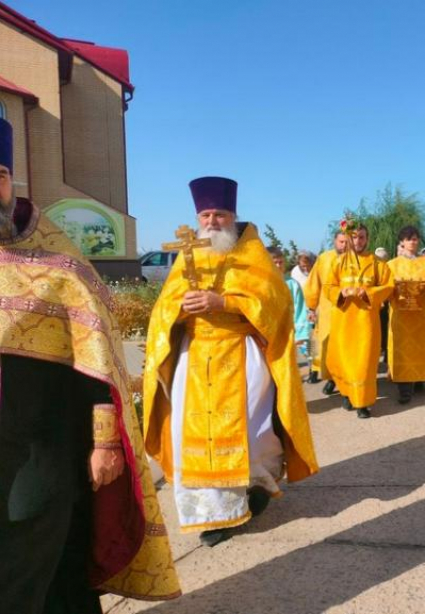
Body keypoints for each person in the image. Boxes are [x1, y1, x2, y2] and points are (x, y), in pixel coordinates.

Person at [0, 118, 180, 612]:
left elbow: (97, 361)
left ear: (11, 183)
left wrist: (105, 442)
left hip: (38, 453)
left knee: (24, 571)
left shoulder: (60, 263)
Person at [144, 176, 319, 547]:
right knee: (187, 435)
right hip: (194, 358)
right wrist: (178, 308)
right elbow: (162, 310)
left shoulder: (252, 254)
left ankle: (254, 488)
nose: (211, 222)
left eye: (219, 214)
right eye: (205, 214)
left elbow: (276, 306)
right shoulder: (187, 254)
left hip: (243, 355)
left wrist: (225, 303)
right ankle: (212, 514)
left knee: (251, 436)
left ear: (232, 215)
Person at [325, 218, 394, 419]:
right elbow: (328, 287)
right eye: (354, 237)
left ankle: (363, 403)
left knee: (364, 363)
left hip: (366, 322)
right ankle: (347, 394)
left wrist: (368, 294)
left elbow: (389, 286)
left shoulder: (377, 263)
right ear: (348, 238)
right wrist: (341, 292)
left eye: (362, 237)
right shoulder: (338, 263)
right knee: (345, 361)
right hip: (344, 320)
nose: (358, 241)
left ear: (367, 238)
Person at [387, 227, 425, 403]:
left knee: (423, 348)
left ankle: (420, 379)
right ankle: (404, 388)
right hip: (401, 315)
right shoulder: (392, 265)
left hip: (423, 315)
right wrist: (395, 287)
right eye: (408, 239)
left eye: (415, 238)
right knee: (403, 350)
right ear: (402, 242)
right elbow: (384, 287)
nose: (412, 242)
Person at [303, 231, 347, 388]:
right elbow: (314, 284)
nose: (344, 245)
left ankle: (343, 382)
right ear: (335, 241)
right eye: (341, 241)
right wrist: (311, 308)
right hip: (327, 310)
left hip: (348, 311)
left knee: (345, 347)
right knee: (326, 346)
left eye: (347, 241)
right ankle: (331, 379)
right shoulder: (324, 259)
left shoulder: (355, 260)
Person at [268, 247, 311, 348]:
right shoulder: (261, 283)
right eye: (275, 263)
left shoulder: (292, 284)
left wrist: (301, 335)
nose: (278, 266)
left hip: (288, 332)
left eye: (281, 262)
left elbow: (300, 309)